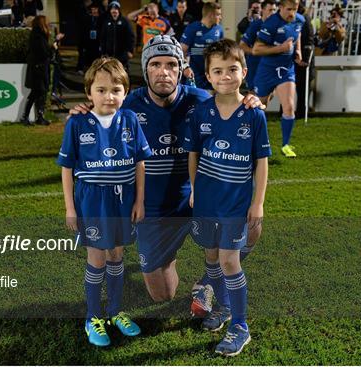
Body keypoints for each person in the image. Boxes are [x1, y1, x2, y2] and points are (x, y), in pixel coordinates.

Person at [69, 35, 264, 306]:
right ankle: (169, 254)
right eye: (155, 64)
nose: (164, 71)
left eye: (171, 64)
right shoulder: (129, 104)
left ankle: (209, 281)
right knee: (163, 295)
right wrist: (82, 111)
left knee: (252, 225)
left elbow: (231, 100)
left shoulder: (200, 100)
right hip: (155, 212)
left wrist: (250, 100)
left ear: (181, 68)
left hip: (196, 200)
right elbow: (100, 109)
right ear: (145, 69)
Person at [184, 39, 270, 356]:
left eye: (232, 69)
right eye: (217, 71)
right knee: (211, 258)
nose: (225, 76)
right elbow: (193, 155)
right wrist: (194, 189)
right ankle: (222, 307)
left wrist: (257, 202)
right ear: (207, 76)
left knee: (229, 261)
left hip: (235, 203)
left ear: (243, 72)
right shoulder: (200, 113)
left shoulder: (254, 115)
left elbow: (261, 164)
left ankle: (240, 325)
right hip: (206, 201)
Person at [57, 57, 151, 347]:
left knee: (116, 255)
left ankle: (115, 311)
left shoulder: (131, 120)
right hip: (92, 200)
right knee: (97, 257)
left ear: (125, 92)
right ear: (89, 93)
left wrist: (140, 201)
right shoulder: (77, 122)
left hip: (122, 199)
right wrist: (70, 208)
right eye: (101, 90)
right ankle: (93, 317)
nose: (108, 96)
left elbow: (139, 163)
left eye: (115, 89)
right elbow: (67, 168)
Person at [252, 0, 304, 158]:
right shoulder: (271, 23)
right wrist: (281, 48)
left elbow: (297, 34)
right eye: (289, 9)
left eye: (294, 9)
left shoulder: (299, 20)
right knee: (259, 109)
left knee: (289, 107)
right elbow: (256, 49)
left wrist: (298, 50)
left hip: (286, 70)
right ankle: (251, 142)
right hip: (267, 71)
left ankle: (285, 145)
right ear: (280, 7)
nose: (292, 13)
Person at [21, 15, 63, 126]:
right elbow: (44, 53)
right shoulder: (38, 36)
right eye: (46, 22)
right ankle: (26, 116)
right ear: (42, 23)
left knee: (40, 93)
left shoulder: (39, 35)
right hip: (38, 69)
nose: (48, 24)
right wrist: (53, 48)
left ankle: (39, 116)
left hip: (39, 68)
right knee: (36, 93)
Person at [180, 2, 224, 90]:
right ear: (210, 15)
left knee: (212, 98)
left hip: (212, 72)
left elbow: (220, 50)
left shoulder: (219, 29)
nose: (221, 17)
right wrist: (186, 67)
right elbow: (182, 50)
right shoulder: (192, 28)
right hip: (195, 73)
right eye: (218, 15)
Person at [240, 0, 277, 91]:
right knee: (253, 94)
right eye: (270, 10)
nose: (273, 13)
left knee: (269, 94)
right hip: (255, 66)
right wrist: (254, 52)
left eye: (274, 10)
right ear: (263, 10)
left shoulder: (277, 26)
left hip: (271, 66)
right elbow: (242, 45)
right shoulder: (255, 25)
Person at [99, 1, 135, 71]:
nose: (114, 11)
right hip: (109, 55)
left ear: (118, 10)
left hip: (122, 55)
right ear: (110, 11)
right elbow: (103, 38)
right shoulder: (106, 22)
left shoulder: (125, 21)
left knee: (123, 72)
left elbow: (131, 37)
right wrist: (103, 53)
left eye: (116, 9)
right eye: (112, 9)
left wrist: (130, 51)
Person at [294, 1, 315, 120]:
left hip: (303, 60)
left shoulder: (304, 19)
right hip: (295, 59)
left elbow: (309, 41)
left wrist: (305, 59)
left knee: (303, 89)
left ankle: (301, 112)